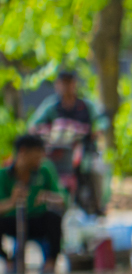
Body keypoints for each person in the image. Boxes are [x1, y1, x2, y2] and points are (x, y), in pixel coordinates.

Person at [27, 67, 106, 216]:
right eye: (63, 83)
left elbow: (101, 120)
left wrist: (97, 130)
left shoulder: (86, 105)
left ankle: (97, 207)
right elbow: (33, 124)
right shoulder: (51, 106)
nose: (66, 87)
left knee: (96, 170)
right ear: (57, 85)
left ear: (75, 84)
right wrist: (40, 130)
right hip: (57, 153)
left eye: (69, 83)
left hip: (84, 151)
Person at [1, 132, 66, 274]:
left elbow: (63, 199)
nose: (40, 158)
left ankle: (50, 263)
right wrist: (12, 202)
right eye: (37, 154)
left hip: (37, 221)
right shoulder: (3, 175)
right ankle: (9, 261)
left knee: (54, 217)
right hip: (12, 222)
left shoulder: (45, 170)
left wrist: (47, 197)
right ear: (23, 152)